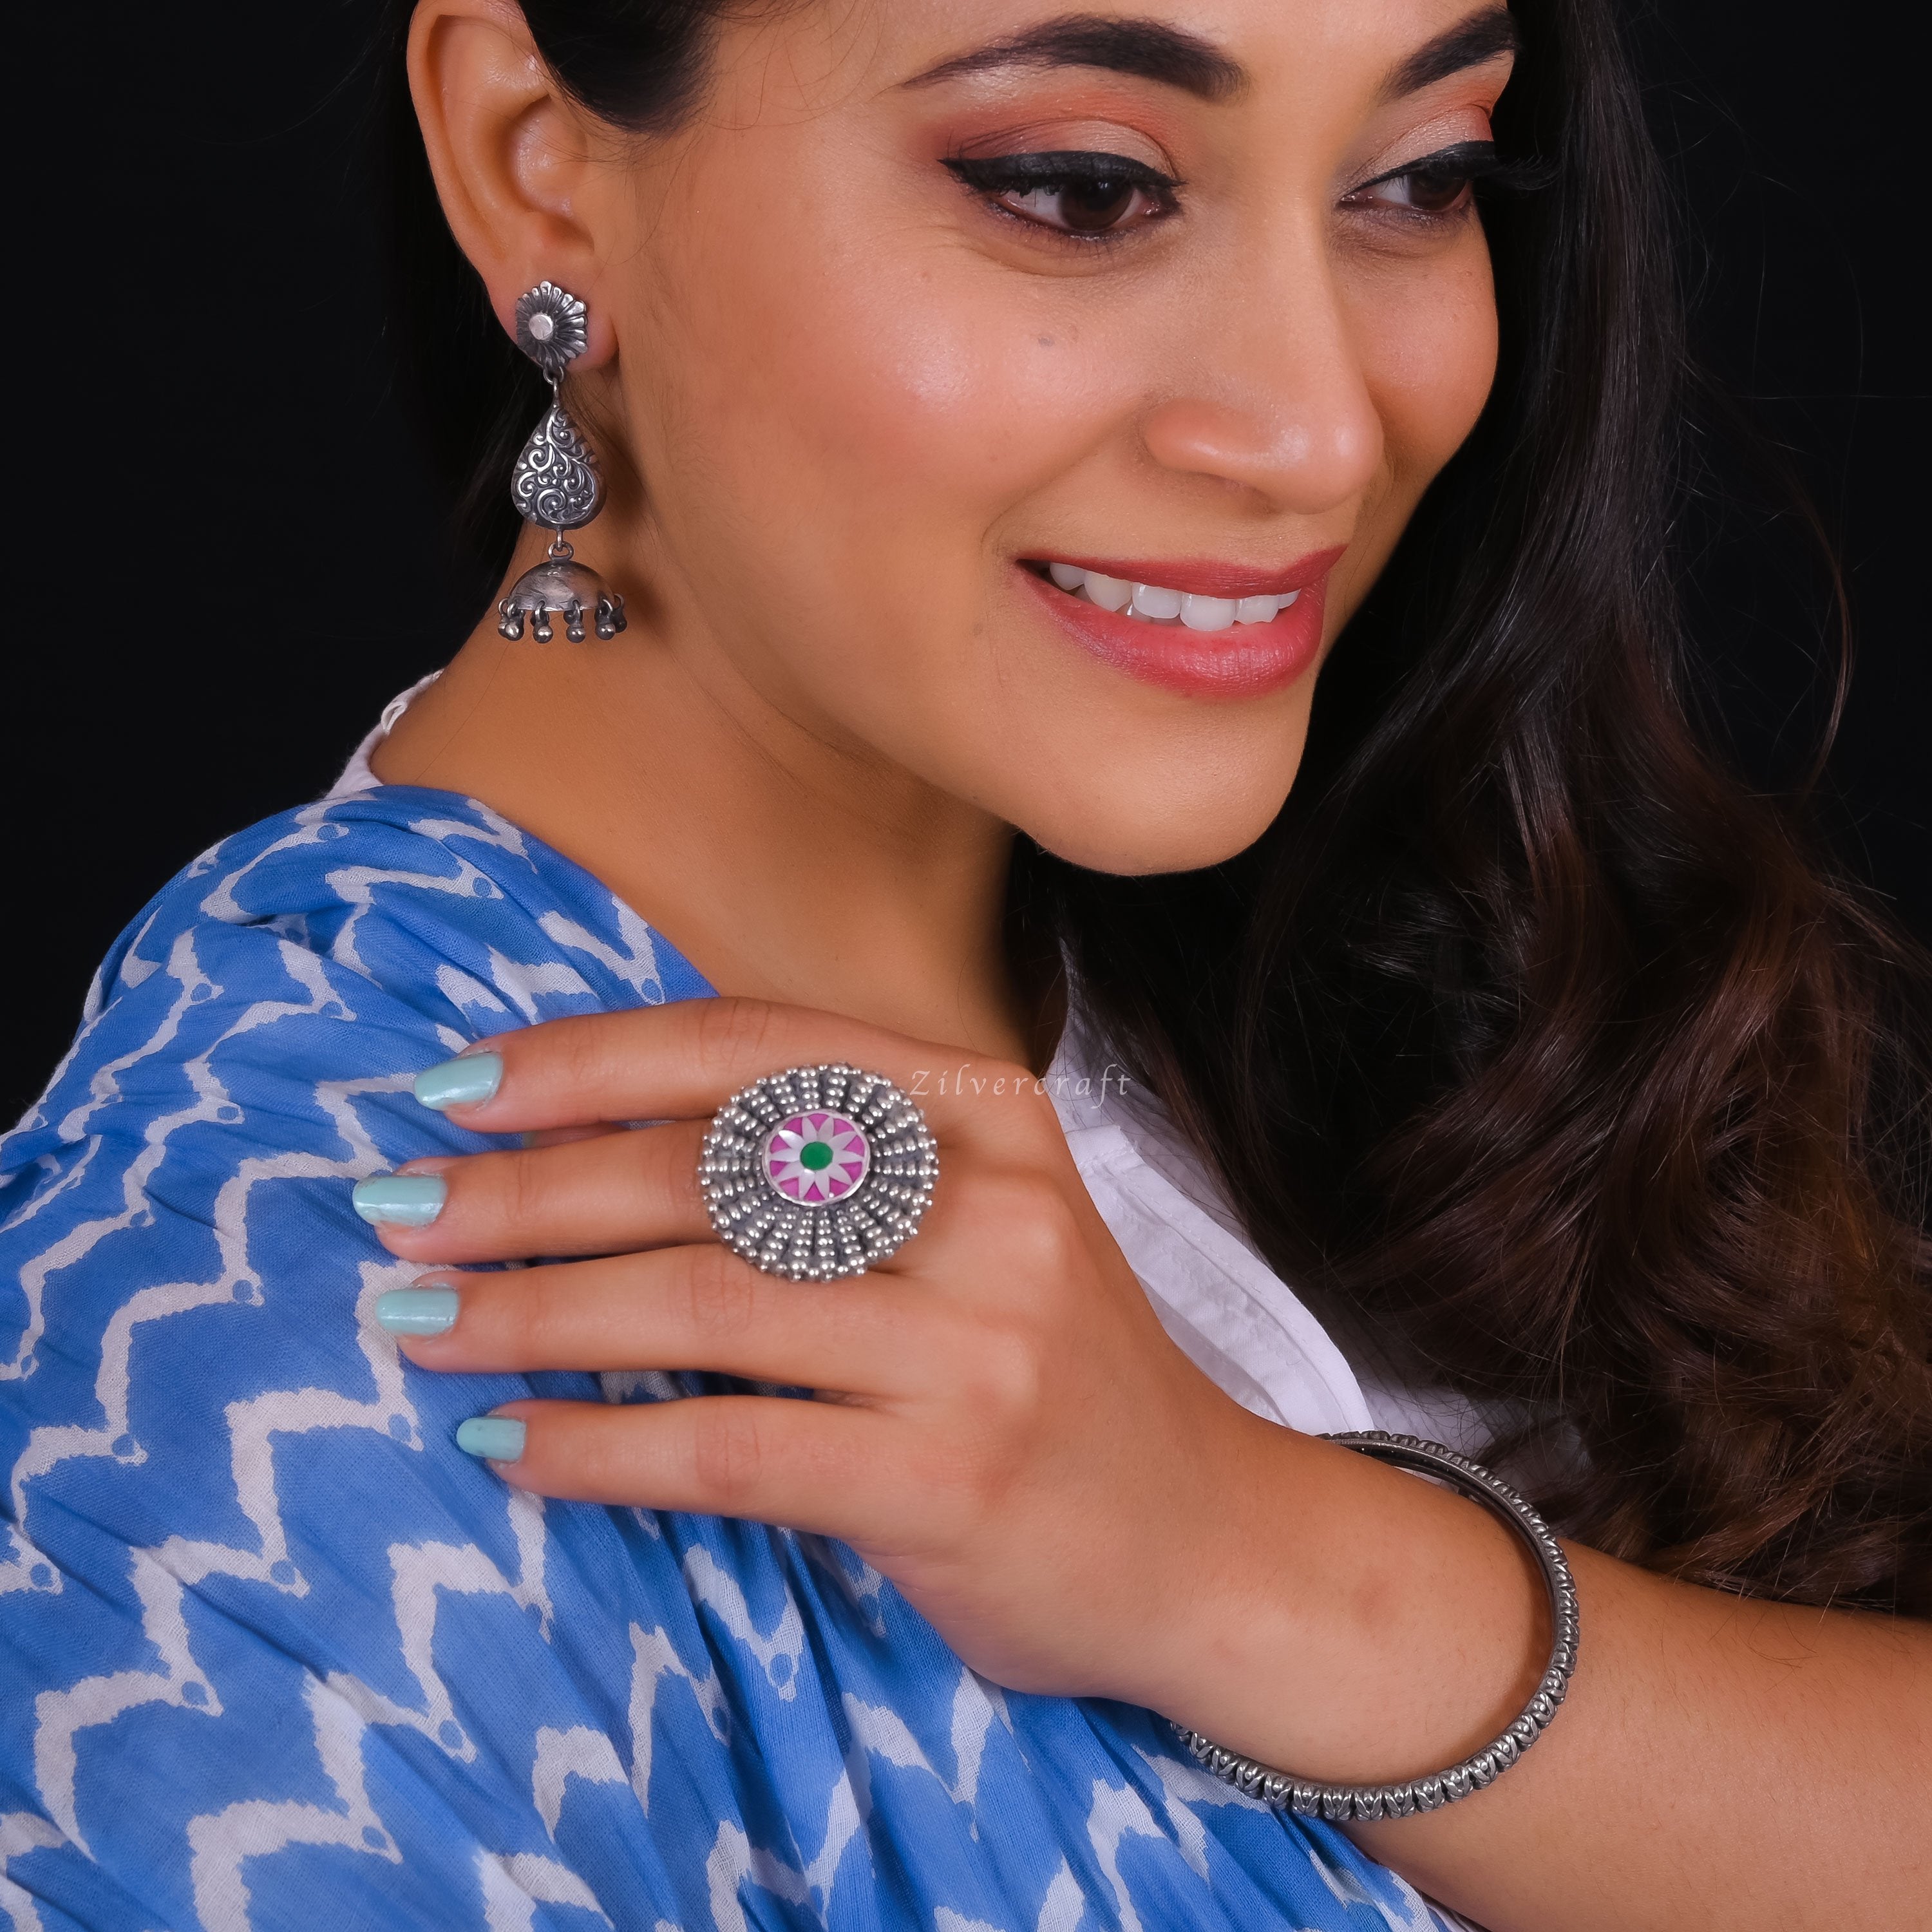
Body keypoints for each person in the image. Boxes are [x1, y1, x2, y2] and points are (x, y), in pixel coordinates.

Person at [3, 1, 1927, 1927]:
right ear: (536, 166)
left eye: (1419, 180)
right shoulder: (244, 1411)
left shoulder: (1404, 970)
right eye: (1082, 192)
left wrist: (1257, 1565)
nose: (1321, 432)